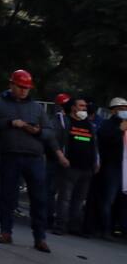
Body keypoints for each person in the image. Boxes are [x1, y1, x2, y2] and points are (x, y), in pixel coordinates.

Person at [0, 70, 66, 253]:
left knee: (39, 198)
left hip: (34, 157)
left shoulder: (36, 108)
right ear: (12, 85)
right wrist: (10, 124)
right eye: (20, 87)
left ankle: (40, 237)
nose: (23, 91)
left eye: (26, 88)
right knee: (8, 196)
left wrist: (38, 132)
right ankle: (5, 231)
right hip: (10, 155)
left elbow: (49, 132)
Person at [52, 97, 98, 236]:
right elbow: (56, 140)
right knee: (65, 198)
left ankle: (74, 226)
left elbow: (94, 144)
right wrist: (61, 156)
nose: (84, 108)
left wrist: (96, 161)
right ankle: (60, 225)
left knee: (79, 199)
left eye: (85, 106)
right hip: (70, 166)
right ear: (73, 107)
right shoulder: (66, 122)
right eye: (81, 106)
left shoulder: (89, 125)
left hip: (86, 168)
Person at [96, 97, 127, 240]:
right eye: (121, 109)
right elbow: (105, 141)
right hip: (112, 166)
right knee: (108, 198)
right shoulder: (107, 124)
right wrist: (119, 130)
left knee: (122, 200)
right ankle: (105, 229)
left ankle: (119, 228)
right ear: (113, 110)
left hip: (124, 168)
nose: (124, 111)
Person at [46, 92, 71, 228]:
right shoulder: (58, 120)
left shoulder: (60, 119)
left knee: (53, 190)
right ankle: (49, 218)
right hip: (56, 159)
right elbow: (53, 139)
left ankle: (50, 217)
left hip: (58, 158)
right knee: (52, 190)